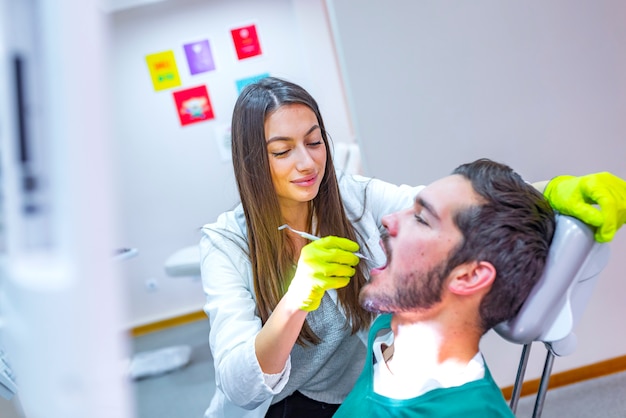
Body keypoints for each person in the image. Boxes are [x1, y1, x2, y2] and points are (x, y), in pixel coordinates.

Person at [199, 76, 626, 418]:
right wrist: (294, 301)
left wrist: (554, 189)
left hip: (351, 391)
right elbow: (239, 382)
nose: (308, 163)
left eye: (314, 142)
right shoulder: (226, 244)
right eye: (282, 151)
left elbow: (455, 208)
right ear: (253, 160)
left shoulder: (350, 197)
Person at [333, 158, 557, 417]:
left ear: (469, 276)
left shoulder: (471, 412)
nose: (387, 219)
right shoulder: (387, 331)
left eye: (421, 218)